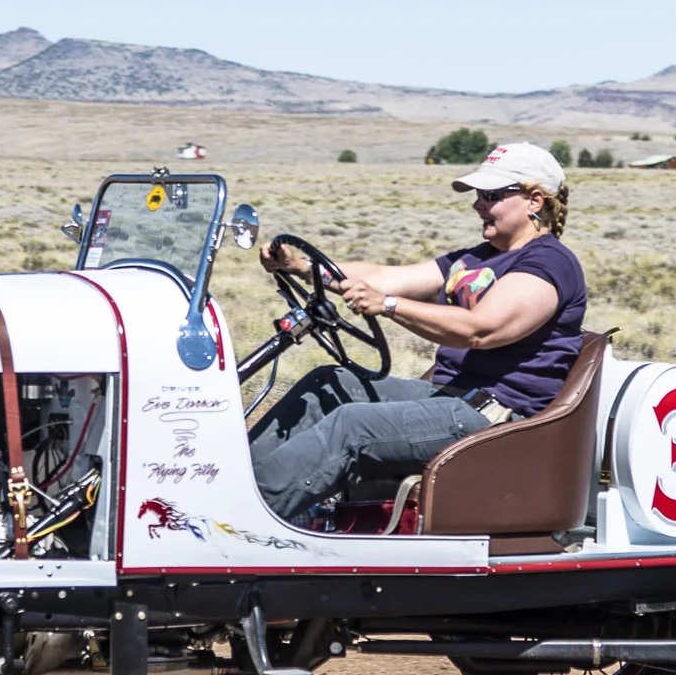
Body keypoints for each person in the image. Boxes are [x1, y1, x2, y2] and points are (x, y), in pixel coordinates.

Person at [249, 141, 588, 525]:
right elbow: (382, 277)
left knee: (352, 426)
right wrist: (300, 266)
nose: (478, 204)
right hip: (450, 396)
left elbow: (481, 330)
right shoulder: (478, 257)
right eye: (478, 195)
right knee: (329, 384)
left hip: (495, 417)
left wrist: (389, 305)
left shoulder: (549, 263)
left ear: (534, 201)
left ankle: (244, 519)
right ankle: (230, 488)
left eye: (491, 196)